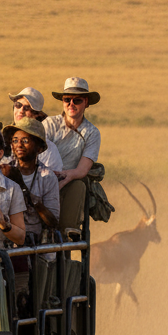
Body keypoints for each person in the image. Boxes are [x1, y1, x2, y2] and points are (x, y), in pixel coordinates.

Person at [1, 117, 61, 314]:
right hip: (5, 242)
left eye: (25, 140)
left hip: (34, 247)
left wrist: (24, 189)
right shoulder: (2, 170)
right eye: (15, 140)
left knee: (27, 304)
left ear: (39, 147)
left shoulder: (47, 177)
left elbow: (52, 221)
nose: (19, 145)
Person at [43, 77, 102, 232]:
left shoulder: (92, 133)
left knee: (79, 186)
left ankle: (67, 230)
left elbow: (81, 170)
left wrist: (62, 178)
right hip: (42, 177)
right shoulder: (49, 124)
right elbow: (38, 155)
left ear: (86, 103)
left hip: (69, 180)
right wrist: (48, 180)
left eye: (77, 100)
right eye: (67, 99)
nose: (71, 104)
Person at [7, 87, 62, 172]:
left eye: (27, 108)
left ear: (36, 115)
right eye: (18, 105)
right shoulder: (3, 141)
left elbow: (53, 180)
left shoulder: (47, 148)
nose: (21, 111)